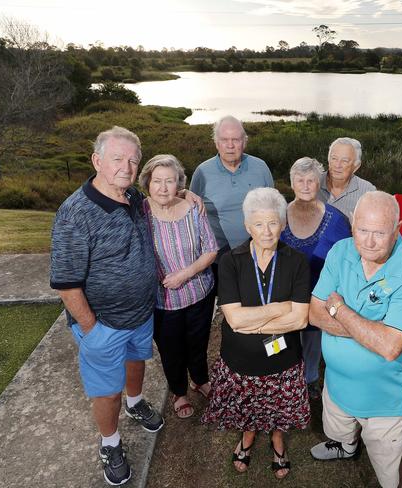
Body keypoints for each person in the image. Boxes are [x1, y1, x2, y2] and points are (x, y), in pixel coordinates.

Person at [50, 126, 164, 486]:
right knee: (106, 390)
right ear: (97, 161)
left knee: (136, 362)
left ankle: (136, 402)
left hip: (140, 314)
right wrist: (91, 330)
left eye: (133, 160)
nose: (126, 167)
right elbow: (67, 283)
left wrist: (186, 194)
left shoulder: (131, 195)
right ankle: (110, 443)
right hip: (103, 324)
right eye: (117, 159)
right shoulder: (75, 214)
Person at [309, 191, 402, 488]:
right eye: (362, 230)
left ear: (397, 228)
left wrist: (339, 309)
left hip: (383, 398)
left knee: (385, 459)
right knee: (339, 429)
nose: (368, 241)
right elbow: (314, 314)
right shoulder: (340, 251)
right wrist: (371, 330)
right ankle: (346, 447)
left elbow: (390, 347)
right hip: (337, 384)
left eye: (379, 232)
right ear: (353, 225)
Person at [202, 187, 311, 480]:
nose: (266, 231)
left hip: (283, 359)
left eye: (273, 222)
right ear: (248, 226)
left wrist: (256, 325)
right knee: (247, 406)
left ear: (283, 224)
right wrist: (279, 307)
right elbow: (234, 319)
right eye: (259, 224)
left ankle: (277, 438)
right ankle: (248, 435)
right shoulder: (230, 261)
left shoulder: (297, 261)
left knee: (278, 407)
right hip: (240, 360)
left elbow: (300, 319)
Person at [139, 154, 218, 419]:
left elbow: (210, 250)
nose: (163, 188)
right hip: (162, 302)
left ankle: (200, 379)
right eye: (157, 181)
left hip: (199, 293)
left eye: (170, 182)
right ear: (147, 183)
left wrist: (185, 274)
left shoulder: (194, 209)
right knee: (171, 349)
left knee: (198, 342)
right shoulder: (140, 212)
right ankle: (179, 391)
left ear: (179, 184)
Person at [280, 157, 351, 399]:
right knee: (285, 337)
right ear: (292, 183)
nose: (306, 185)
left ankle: (310, 377)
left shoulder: (337, 219)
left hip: (319, 295)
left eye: (311, 180)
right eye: (300, 180)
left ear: (319, 183)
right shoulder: (278, 215)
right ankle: (284, 376)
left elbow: (347, 259)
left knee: (313, 340)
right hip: (285, 296)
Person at [190, 115, 274, 280]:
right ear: (216, 143)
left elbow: (274, 210)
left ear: (244, 142)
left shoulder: (261, 167)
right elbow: (192, 215)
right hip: (216, 259)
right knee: (222, 304)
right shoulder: (202, 172)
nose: (230, 145)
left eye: (235, 139)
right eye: (224, 140)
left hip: (257, 255)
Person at [318, 137, 376, 221]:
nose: (337, 165)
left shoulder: (368, 192)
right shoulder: (312, 183)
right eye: (334, 158)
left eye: (344, 161)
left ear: (356, 166)